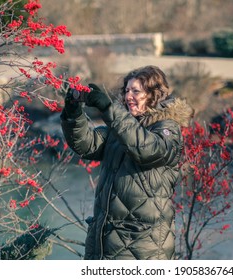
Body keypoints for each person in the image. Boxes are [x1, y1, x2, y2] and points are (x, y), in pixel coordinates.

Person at [61, 65, 194, 260]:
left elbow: (147, 150)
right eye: (127, 90)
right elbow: (86, 145)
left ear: (153, 95)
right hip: (103, 240)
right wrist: (73, 112)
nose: (128, 96)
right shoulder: (121, 127)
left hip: (142, 244)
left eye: (136, 91)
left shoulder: (167, 128)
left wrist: (109, 109)